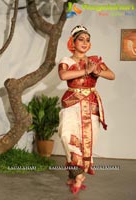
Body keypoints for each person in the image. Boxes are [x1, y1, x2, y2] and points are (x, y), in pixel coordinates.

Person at [58, 25, 115, 194]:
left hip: (91, 105)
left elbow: (112, 75)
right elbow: (63, 76)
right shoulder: (66, 61)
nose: (85, 43)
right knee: (67, 135)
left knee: (88, 140)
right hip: (72, 102)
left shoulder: (95, 60)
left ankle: (78, 175)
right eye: (81, 39)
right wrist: (85, 70)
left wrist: (97, 71)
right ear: (73, 42)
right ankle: (75, 172)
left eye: (88, 40)